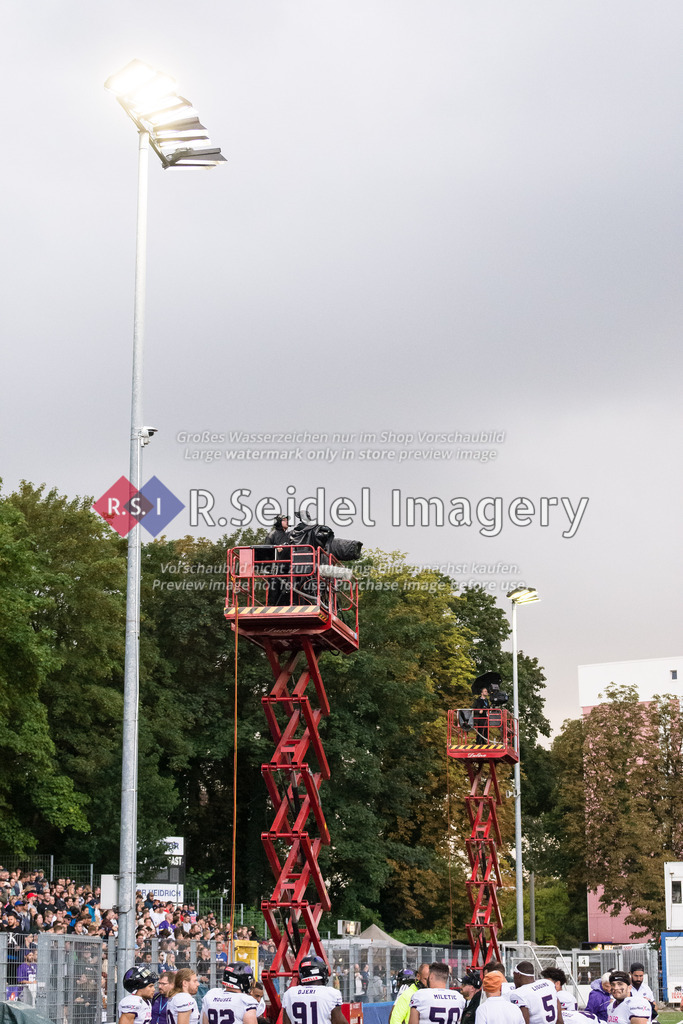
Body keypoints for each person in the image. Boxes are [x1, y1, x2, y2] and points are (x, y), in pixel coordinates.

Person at [281, 955, 346, 1024]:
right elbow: (340, 1022)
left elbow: (286, 1022)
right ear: (322, 972)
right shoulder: (331, 993)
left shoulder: (290, 994)